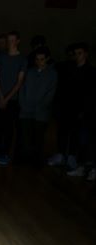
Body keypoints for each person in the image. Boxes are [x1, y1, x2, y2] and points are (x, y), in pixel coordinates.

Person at [0, 31, 27, 166]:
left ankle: (5, 152)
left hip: (12, 99)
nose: (10, 43)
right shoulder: (1, 57)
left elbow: (19, 82)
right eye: (8, 40)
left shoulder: (22, 59)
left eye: (12, 40)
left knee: (8, 127)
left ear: (17, 41)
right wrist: (1, 96)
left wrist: (7, 98)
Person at [18, 46, 57, 166]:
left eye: (42, 59)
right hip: (26, 111)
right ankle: (25, 161)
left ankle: (36, 163)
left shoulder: (52, 74)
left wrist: (41, 106)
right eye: (37, 59)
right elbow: (22, 89)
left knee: (38, 138)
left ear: (47, 59)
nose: (39, 62)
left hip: (41, 113)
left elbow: (51, 93)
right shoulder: (30, 72)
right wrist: (23, 105)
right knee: (26, 138)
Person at [63, 43, 96, 180]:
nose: (77, 56)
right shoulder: (71, 70)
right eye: (75, 53)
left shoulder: (91, 71)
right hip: (72, 110)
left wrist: (85, 110)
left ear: (86, 54)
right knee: (79, 140)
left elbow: (90, 94)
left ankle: (92, 168)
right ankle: (82, 166)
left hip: (87, 112)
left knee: (89, 140)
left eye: (80, 53)